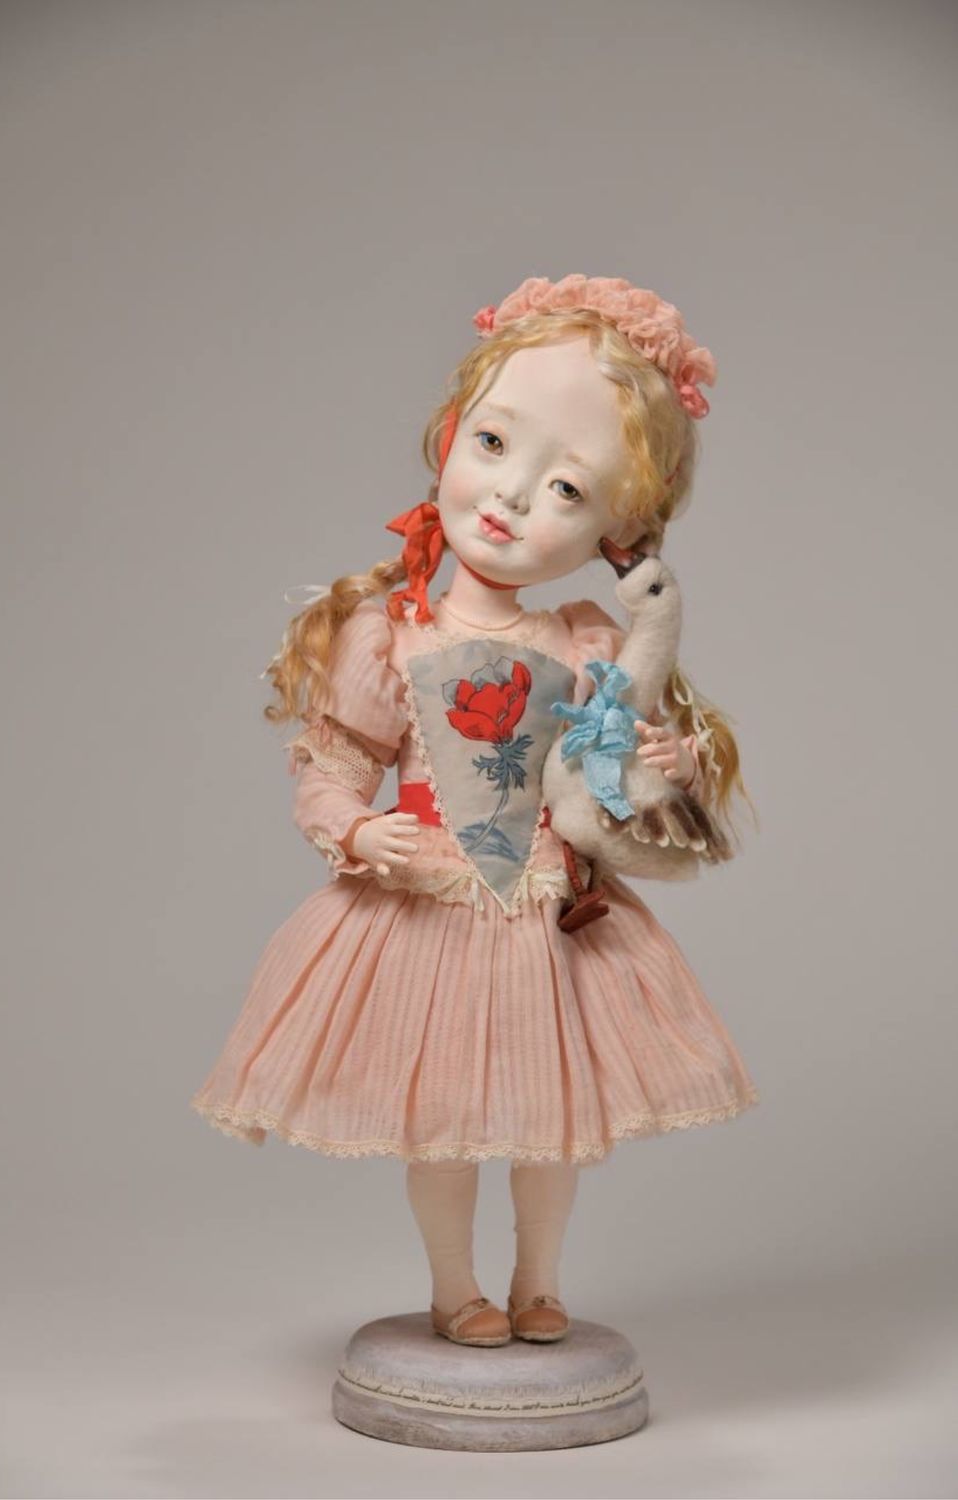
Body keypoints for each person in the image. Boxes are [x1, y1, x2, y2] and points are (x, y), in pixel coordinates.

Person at [190, 273, 759, 1348]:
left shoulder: (584, 639)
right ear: (452, 433)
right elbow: (331, 767)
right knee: (440, 1124)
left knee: (551, 1125)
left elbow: (612, 773)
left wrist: (669, 761)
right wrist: (355, 830)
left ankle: (538, 1278)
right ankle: (456, 1289)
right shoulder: (388, 633)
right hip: (426, 908)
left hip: (550, 911)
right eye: (493, 445)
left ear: (621, 532)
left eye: (567, 490)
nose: (509, 498)